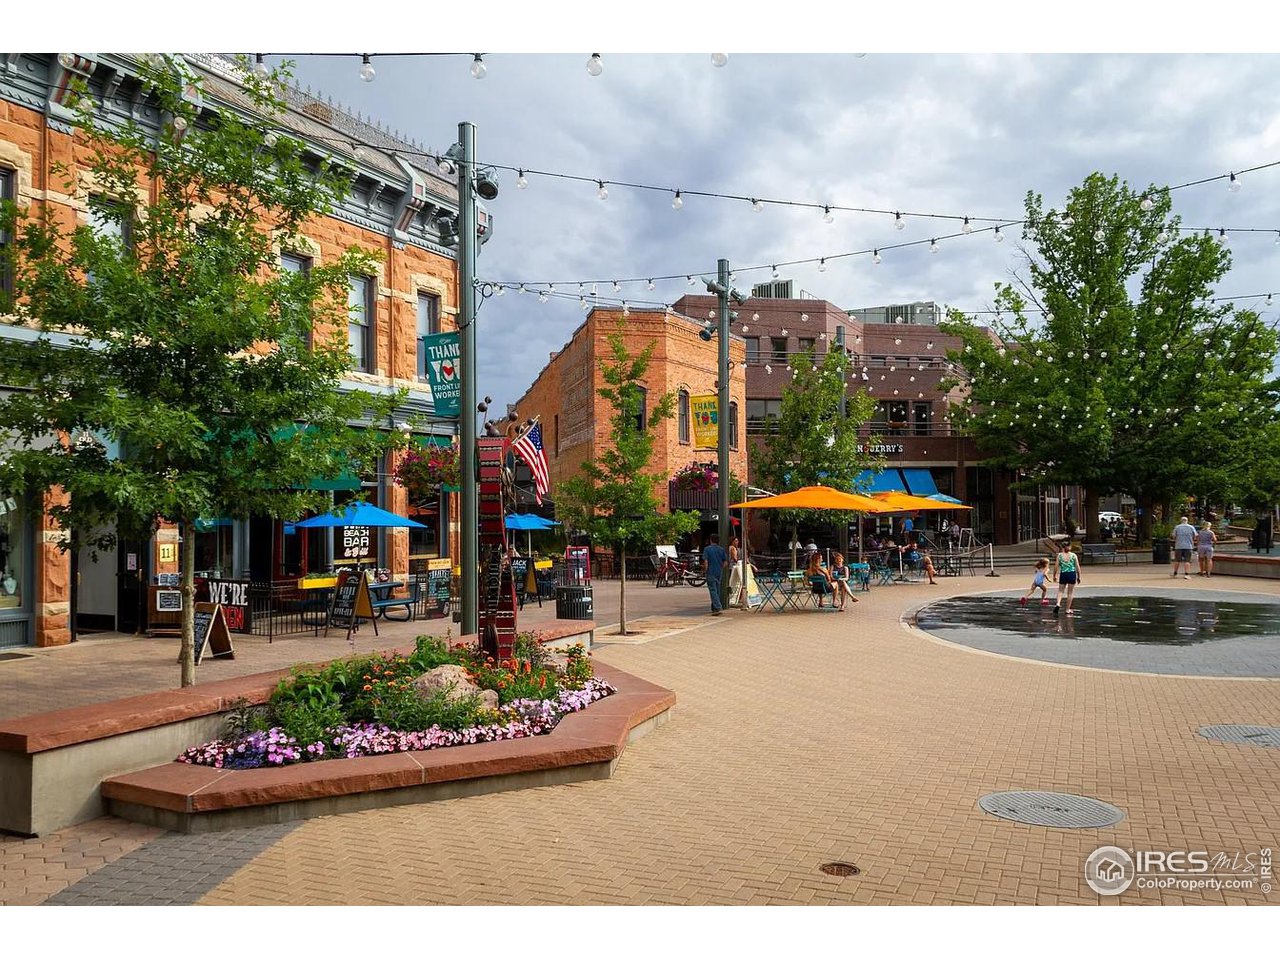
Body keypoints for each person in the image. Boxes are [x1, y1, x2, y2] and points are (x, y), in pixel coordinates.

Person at [702, 534, 728, 616]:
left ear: (711, 540)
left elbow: (706, 561)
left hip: (710, 571)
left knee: (712, 590)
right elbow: (726, 562)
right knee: (717, 589)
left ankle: (717, 606)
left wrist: (705, 570)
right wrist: (721, 567)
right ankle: (714, 607)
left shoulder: (707, 549)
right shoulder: (721, 549)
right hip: (718, 572)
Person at [1053, 541, 1081, 616]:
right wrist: (1079, 576)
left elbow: (1056, 566)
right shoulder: (1073, 555)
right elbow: (1077, 566)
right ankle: (1067, 609)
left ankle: (1058, 603)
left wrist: (1054, 575)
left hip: (1063, 574)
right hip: (1071, 574)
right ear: (1069, 547)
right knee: (1070, 593)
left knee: (1060, 591)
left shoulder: (1059, 555)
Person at [1171, 516, 1198, 580]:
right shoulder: (1191, 527)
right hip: (1188, 546)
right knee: (1187, 561)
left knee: (1177, 560)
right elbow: (1195, 536)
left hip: (1178, 546)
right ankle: (1186, 574)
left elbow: (1173, 536)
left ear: (1181, 521)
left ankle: (1175, 573)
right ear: (1187, 521)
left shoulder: (1177, 527)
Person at [726, 536, 743, 604]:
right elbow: (734, 558)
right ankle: (735, 597)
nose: (737, 542)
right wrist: (738, 562)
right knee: (735, 582)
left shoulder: (730, 548)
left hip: (732, 567)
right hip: (733, 567)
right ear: (732, 541)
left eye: (737, 541)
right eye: (736, 541)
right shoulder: (732, 548)